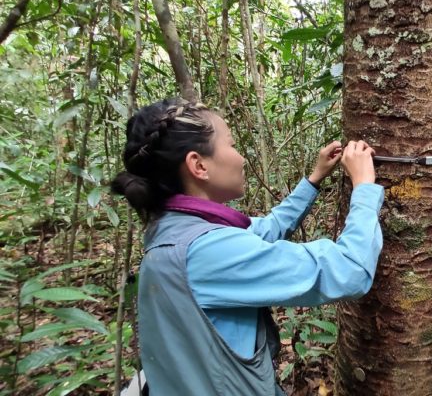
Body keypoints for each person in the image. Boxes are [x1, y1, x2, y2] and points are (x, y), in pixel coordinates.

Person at [111, 98, 384, 395]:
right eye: (231, 145)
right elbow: (350, 270)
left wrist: (314, 179)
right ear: (198, 165)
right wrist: (365, 187)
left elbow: (264, 230)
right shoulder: (207, 250)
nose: (241, 158)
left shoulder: (174, 228)